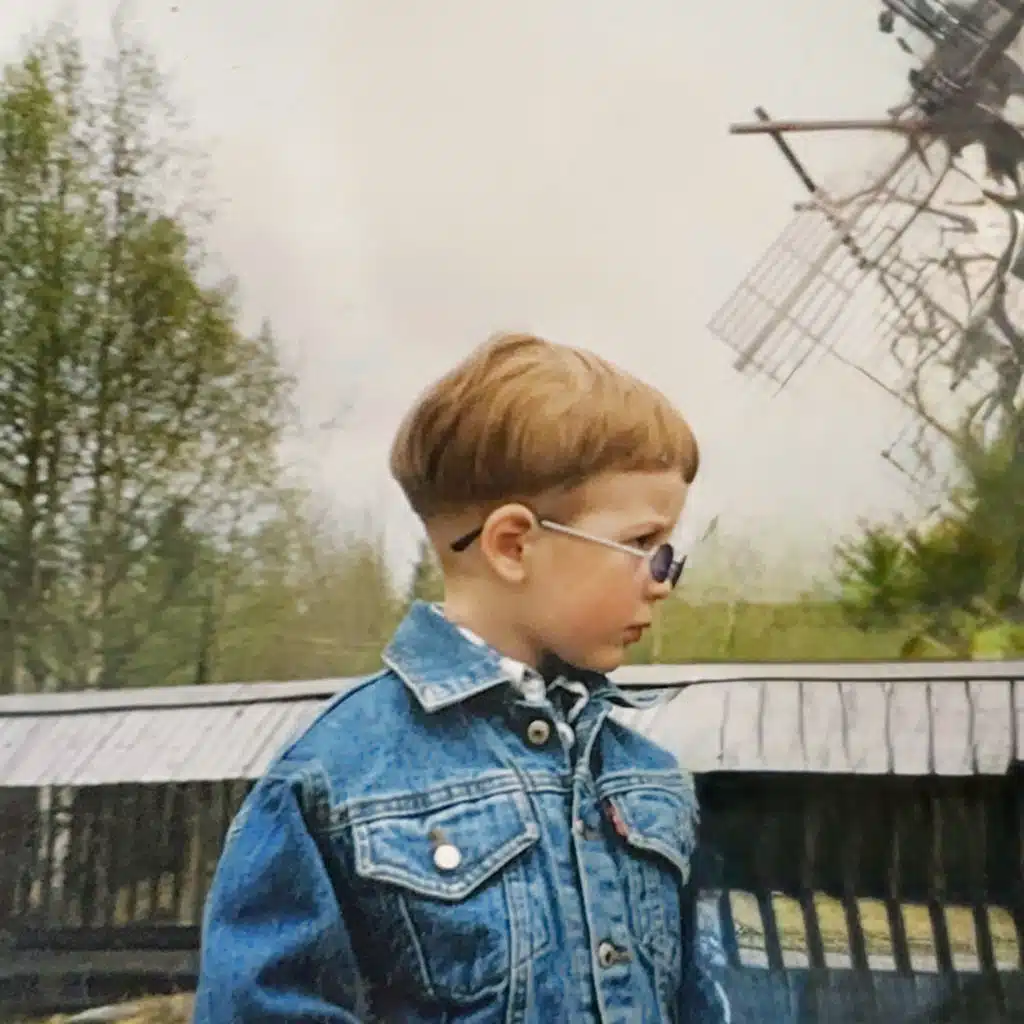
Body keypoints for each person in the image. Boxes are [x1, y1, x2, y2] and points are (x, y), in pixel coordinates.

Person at [193, 332, 730, 1023]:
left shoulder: (647, 778)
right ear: (513, 545)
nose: (663, 581)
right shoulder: (335, 781)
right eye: (644, 546)